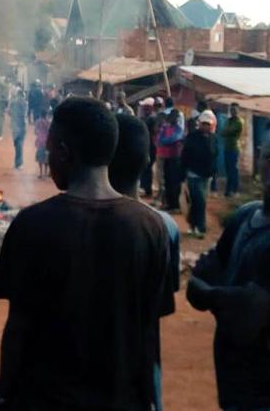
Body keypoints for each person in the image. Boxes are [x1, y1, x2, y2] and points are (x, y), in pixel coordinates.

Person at [0, 97, 174, 410]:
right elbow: (148, 329)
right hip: (122, 399)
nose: (48, 155)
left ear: (64, 151)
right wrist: (150, 399)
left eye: (50, 148)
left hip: (43, 400)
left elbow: (18, 324)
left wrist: (3, 394)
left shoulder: (32, 225)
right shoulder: (150, 228)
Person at [187, 111, 270, 411]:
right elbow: (198, 281)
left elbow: (244, 324)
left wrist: (212, 293)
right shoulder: (246, 215)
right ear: (260, 157)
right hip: (241, 392)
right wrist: (235, 298)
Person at [108, 113, 179, 411]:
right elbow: (163, 302)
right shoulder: (165, 227)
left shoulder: (68, 223)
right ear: (149, 161)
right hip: (141, 368)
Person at [181, 109, 218, 238]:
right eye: (204, 123)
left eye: (208, 124)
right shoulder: (192, 137)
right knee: (199, 201)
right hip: (193, 174)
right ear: (200, 123)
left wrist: (214, 173)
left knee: (198, 202)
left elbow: (215, 156)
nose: (206, 126)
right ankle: (200, 228)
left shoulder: (213, 138)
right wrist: (182, 174)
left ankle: (192, 224)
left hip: (206, 176)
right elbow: (185, 156)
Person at [157, 109, 183, 212]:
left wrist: (165, 141)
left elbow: (174, 139)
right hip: (166, 158)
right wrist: (165, 141)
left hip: (175, 158)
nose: (173, 118)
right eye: (172, 116)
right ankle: (168, 204)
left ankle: (175, 205)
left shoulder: (179, 129)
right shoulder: (166, 128)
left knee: (174, 182)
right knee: (167, 181)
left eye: (175, 116)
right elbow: (160, 139)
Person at [221, 103, 244, 197]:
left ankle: (235, 191)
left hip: (234, 148)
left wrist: (226, 131)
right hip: (227, 147)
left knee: (233, 170)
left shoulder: (239, 121)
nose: (233, 111)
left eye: (234, 110)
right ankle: (228, 191)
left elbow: (228, 131)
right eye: (231, 110)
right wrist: (226, 131)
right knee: (228, 170)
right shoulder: (229, 120)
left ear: (238, 110)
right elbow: (223, 132)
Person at [9, 89, 27, 170]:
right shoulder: (25, 103)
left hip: (15, 126)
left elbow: (9, 112)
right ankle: (18, 163)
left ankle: (18, 163)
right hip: (21, 126)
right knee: (19, 145)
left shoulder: (13, 102)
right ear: (22, 95)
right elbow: (24, 114)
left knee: (17, 145)